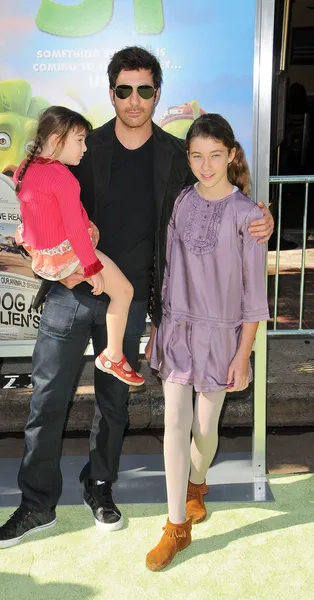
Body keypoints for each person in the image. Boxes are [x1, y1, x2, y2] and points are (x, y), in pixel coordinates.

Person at [0, 47, 274, 550]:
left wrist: (260, 217)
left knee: (113, 403)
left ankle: (99, 487)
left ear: (157, 93)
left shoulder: (175, 155)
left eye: (145, 89)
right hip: (69, 288)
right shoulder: (84, 146)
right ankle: (36, 505)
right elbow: (37, 193)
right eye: (124, 89)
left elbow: (218, 193)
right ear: (111, 92)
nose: (135, 100)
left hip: (132, 297)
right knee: (46, 399)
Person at [145, 114, 270, 572]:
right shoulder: (180, 201)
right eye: (197, 155)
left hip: (222, 335)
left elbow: (255, 295)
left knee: (204, 427)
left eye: (215, 154)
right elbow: (169, 270)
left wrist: (244, 354)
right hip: (177, 328)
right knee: (174, 424)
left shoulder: (249, 215)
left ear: (231, 155)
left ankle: (197, 484)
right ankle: (176, 526)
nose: (205, 164)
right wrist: (158, 326)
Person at [13, 106, 144, 387]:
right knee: (124, 291)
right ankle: (114, 355)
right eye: (80, 140)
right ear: (57, 138)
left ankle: (113, 355)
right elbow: (73, 229)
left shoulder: (25, 168)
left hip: (45, 257)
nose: (85, 148)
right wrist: (91, 267)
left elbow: (41, 212)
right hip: (70, 254)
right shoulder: (63, 178)